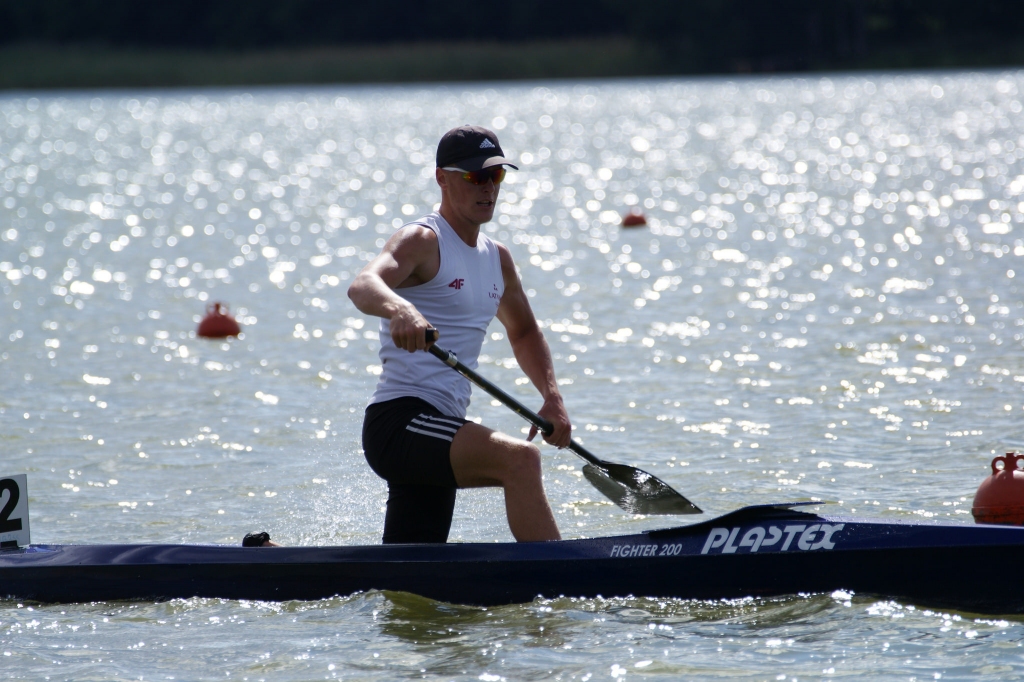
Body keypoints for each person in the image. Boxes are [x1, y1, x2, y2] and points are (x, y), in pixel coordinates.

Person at [347, 125, 570, 544]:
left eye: (496, 176)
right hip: (402, 422)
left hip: (443, 425)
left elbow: (524, 332)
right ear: (442, 178)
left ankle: (270, 562)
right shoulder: (423, 240)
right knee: (521, 461)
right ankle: (564, 590)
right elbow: (363, 285)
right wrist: (401, 309)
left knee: (412, 573)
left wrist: (552, 398)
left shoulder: (497, 259)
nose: (487, 188)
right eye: (474, 177)